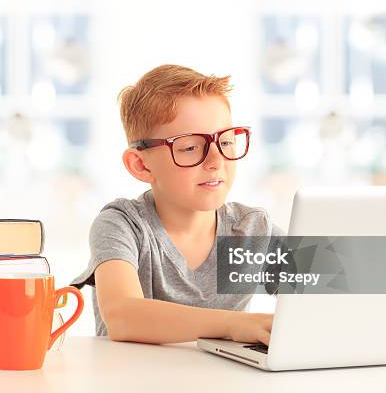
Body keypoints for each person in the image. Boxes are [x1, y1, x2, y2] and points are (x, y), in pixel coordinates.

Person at [71, 64, 283, 344]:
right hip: (129, 384)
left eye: (227, 142)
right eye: (190, 147)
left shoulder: (252, 229)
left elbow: (336, 294)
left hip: (227, 386)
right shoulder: (124, 224)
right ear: (141, 165)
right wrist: (233, 324)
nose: (216, 161)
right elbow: (123, 315)